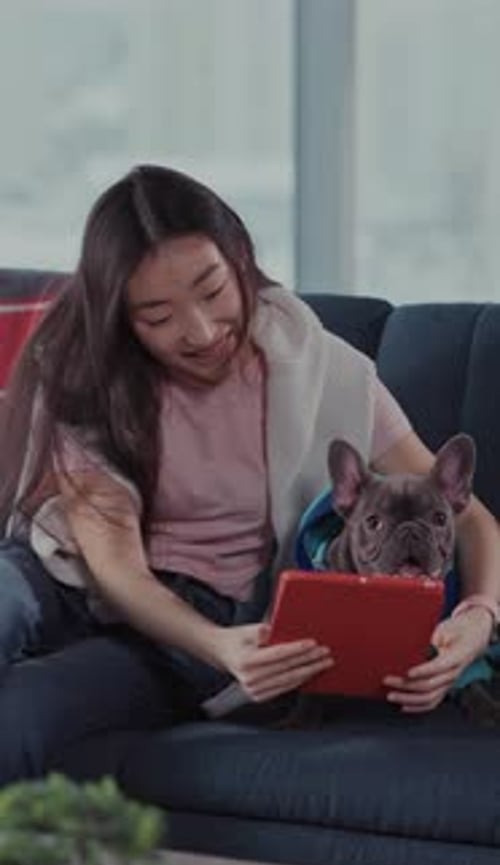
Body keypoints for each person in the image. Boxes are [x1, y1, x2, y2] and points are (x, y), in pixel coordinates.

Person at [0, 164, 498, 782]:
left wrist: (478, 615)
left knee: (22, 712)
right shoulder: (94, 379)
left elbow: (470, 518)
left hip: (185, 628)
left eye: (212, 291)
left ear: (241, 260)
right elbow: (115, 567)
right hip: (69, 570)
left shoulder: (327, 373)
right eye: (158, 316)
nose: (201, 332)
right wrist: (217, 647)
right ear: (121, 318)